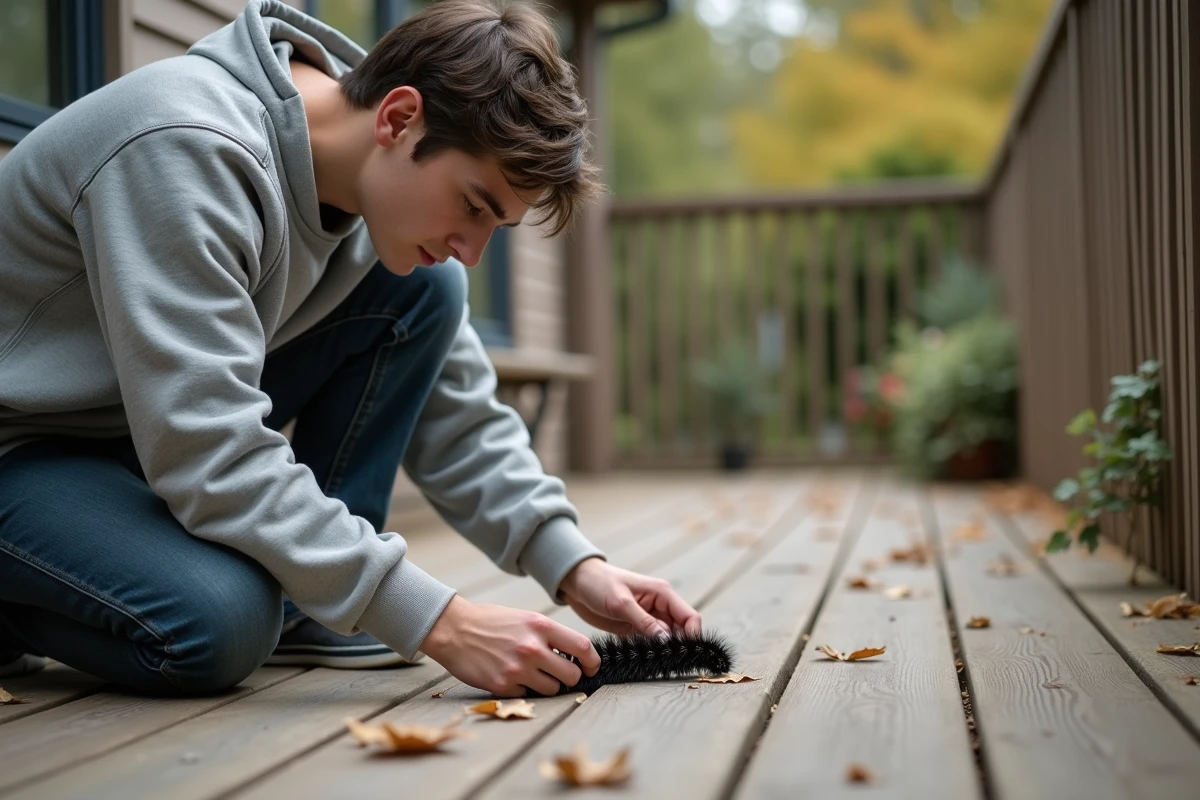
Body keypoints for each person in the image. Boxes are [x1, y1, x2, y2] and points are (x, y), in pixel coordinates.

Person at [0, 0, 700, 698]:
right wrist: (442, 623)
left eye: (497, 227)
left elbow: (457, 416)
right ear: (398, 119)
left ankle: (311, 609)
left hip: (126, 433)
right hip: (21, 445)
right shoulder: (186, 147)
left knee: (431, 290)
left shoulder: (371, 194)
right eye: (474, 205)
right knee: (221, 622)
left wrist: (575, 565)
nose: (473, 248)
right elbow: (209, 451)